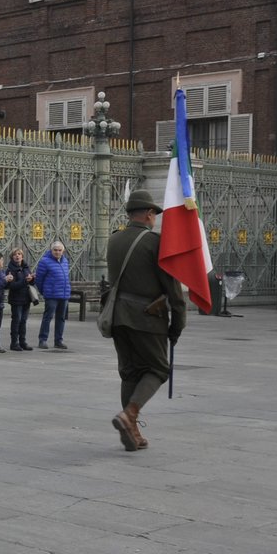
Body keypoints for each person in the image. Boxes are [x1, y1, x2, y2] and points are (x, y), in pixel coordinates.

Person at [105, 190, 187, 451]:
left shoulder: (114, 239)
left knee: (129, 372)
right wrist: (178, 323)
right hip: (147, 317)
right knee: (158, 369)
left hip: (117, 315)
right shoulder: (154, 242)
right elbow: (172, 287)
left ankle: (132, 432)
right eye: (155, 215)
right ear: (149, 214)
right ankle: (130, 414)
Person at [34, 240, 72, 349]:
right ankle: (42, 340)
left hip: (63, 295)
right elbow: (39, 279)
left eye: (60, 250)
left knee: (61, 318)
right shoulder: (45, 261)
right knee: (48, 317)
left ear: (63, 251)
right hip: (51, 295)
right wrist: (44, 291)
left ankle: (58, 340)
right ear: (51, 250)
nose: (57, 252)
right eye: (55, 250)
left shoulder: (65, 261)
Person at [6, 246, 35, 350]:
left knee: (23, 320)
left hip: (26, 298)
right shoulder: (10, 270)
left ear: (22, 256)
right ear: (12, 257)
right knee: (16, 320)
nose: (17, 256)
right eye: (15, 254)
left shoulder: (26, 268)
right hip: (16, 299)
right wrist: (25, 281)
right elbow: (11, 286)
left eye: (19, 254)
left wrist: (32, 279)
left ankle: (23, 341)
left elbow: (31, 282)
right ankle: (14, 343)